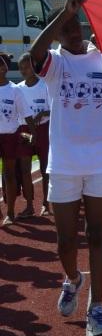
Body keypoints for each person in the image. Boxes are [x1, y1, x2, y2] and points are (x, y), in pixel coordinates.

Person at [30, 0, 102, 335]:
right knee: (65, 243)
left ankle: (97, 306)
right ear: (59, 34)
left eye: (76, 25)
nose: (74, 32)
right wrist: (60, 16)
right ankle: (73, 278)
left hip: (99, 161)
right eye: (66, 28)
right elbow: (35, 54)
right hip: (64, 164)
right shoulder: (55, 64)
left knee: (96, 236)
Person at [16, 54, 50, 217]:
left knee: (45, 169)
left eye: (26, 67)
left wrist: (43, 112)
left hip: (43, 129)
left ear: (34, 67)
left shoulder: (45, 86)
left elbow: (54, 109)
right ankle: (29, 205)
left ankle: (46, 203)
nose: (23, 70)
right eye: (21, 68)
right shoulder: (18, 88)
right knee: (24, 170)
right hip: (24, 131)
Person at [0, 57, 32, 223]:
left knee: (9, 174)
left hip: (10, 136)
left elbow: (27, 115)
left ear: (4, 69)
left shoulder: (14, 90)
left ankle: (10, 213)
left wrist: (32, 134)